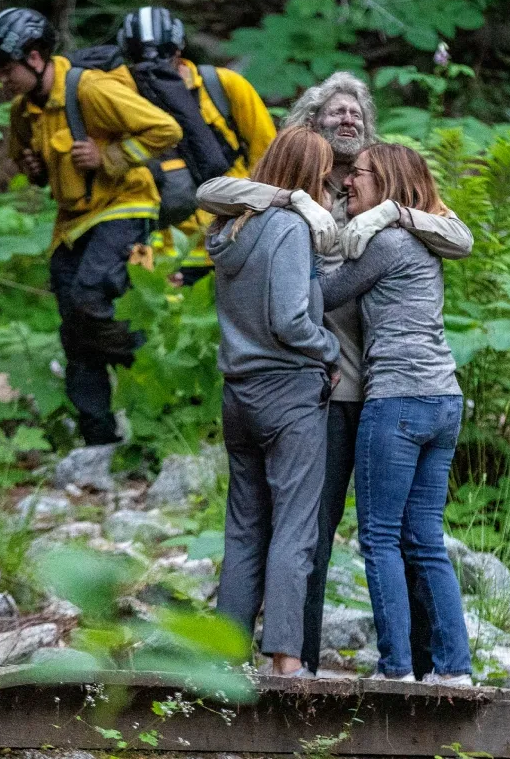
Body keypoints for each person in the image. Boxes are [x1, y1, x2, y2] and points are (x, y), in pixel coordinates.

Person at [196, 71, 473, 676]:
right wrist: (292, 198)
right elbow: (214, 191)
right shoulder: (298, 193)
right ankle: (304, 660)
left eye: (356, 112)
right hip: (321, 382)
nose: (348, 120)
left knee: (398, 532)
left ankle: (426, 663)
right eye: (335, 113)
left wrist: (391, 215)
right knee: (312, 531)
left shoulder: (381, 188)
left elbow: (457, 234)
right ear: (311, 125)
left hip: (382, 387)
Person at [0, 8, 182, 447]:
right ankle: (98, 439)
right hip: (71, 222)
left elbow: (165, 129)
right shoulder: (22, 112)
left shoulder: (90, 89)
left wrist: (110, 157)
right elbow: (27, 166)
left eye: (7, 69)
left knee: (91, 296)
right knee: (73, 327)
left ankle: (147, 362)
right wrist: (31, 168)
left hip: (125, 205)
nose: (2, 79)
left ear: (34, 58)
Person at [318, 143, 471, 684]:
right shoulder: (423, 238)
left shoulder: (385, 242)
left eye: (356, 175)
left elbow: (326, 295)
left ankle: (397, 669)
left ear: (384, 180)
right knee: (425, 537)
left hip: (397, 399)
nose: (346, 184)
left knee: (379, 536)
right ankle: (454, 670)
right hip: (444, 398)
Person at [207, 127, 339, 677]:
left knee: (243, 527)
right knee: (295, 526)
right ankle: (285, 659)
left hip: (237, 393)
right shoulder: (288, 228)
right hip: (288, 393)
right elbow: (290, 319)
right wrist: (329, 348)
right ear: (311, 178)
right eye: (327, 175)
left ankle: (224, 656)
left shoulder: (230, 228)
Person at [116, 7, 276, 285]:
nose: (151, 66)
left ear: (179, 49)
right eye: (138, 58)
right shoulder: (118, 100)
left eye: (164, 54)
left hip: (230, 244)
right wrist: (141, 271)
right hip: (159, 257)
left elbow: (270, 158)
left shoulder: (222, 86)